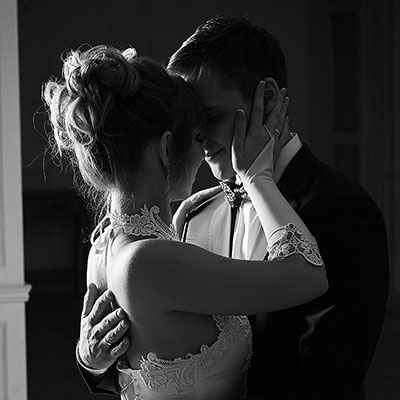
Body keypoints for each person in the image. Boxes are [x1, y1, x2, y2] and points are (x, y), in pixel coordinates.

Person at [76, 17, 389, 399]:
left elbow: (331, 377)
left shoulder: (341, 210)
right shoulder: (191, 214)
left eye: (210, 118)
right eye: (187, 122)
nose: (199, 138)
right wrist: (93, 361)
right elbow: (156, 353)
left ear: (267, 99)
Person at [44, 44, 328, 399]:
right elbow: (308, 275)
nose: (205, 148)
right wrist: (258, 177)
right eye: (196, 136)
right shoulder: (148, 260)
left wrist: (91, 362)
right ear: (166, 148)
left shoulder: (103, 247)